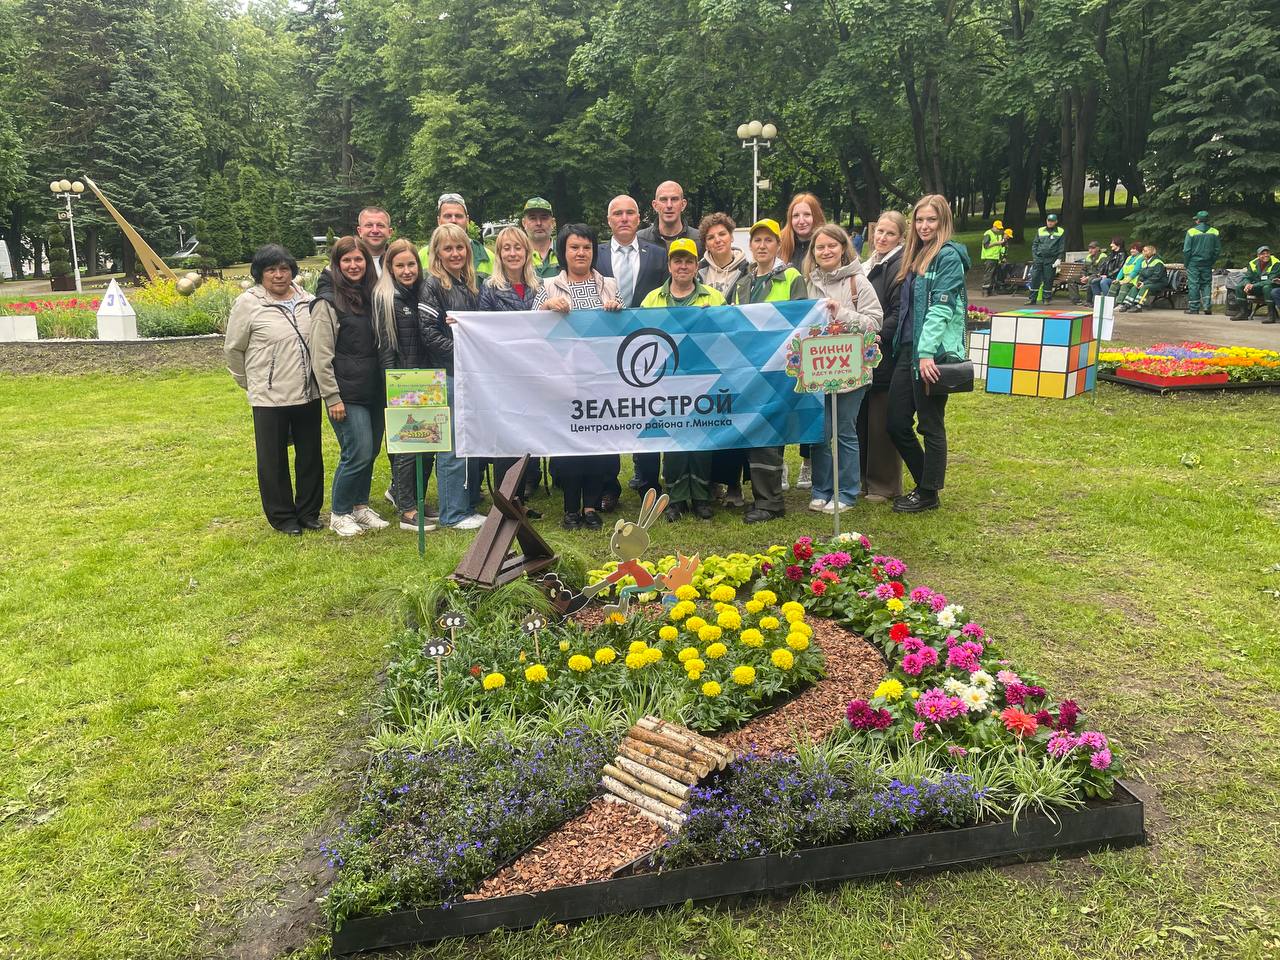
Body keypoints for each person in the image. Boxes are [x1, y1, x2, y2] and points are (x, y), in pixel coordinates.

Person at [224, 244, 323, 536]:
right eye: (271, 270)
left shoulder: (308, 300)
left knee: (310, 456)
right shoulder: (248, 304)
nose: (279, 275)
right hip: (269, 397)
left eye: (284, 269)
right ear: (260, 274)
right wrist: (251, 382)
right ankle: (283, 516)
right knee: (273, 460)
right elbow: (234, 349)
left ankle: (308, 512)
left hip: (308, 392)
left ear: (292, 271)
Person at [534, 223, 623, 529]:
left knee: (596, 446)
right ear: (564, 251)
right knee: (569, 447)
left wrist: (617, 309)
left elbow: (624, 329)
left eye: (587, 247)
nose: (581, 253)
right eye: (574, 247)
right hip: (564, 381)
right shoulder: (548, 286)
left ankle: (590, 507)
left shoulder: (609, 285)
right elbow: (528, 328)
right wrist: (546, 307)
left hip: (600, 381)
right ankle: (570, 509)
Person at [887, 195, 969, 514]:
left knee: (930, 424)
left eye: (931, 220)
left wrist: (926, 353)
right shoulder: (915, 255)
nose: (924, 226)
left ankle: (927, 492)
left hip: (931, 354)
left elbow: (941, 309)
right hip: (908, 350)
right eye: (919, 220)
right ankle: (926, 483)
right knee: (896, 422)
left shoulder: (947, 257)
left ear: (943, 221)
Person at [311, 236, 395, 536]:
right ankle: (340, 512)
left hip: (373, 390)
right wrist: (332, 396)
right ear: (337, 264)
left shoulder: (372, 294)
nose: (354, 265)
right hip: (346, 394)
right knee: (357, 451)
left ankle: (360, 506)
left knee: (370, 452)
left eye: (359, 259)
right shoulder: (327, 302)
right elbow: (320, 355)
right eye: (346, 260)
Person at [639, 237, 726, 522]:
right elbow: (641, 336)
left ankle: (701, 498)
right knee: (673, 438)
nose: (683, 266)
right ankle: (675, 499)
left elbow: (729, 334)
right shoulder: (652, 299)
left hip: (704, 378)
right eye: (678, 261)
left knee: (701, 440)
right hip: (667, 380)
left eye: (689, 261)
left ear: (696, 266)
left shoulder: (714, 298)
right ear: (669, 265)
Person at [731, 218, 808, 524]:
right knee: (754, 433)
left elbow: (801, 320)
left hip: (779, 370)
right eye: (757, 240)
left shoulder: (791, 277)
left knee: (769, 435)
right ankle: (762, 497)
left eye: (768, 240)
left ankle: (771, 502)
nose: (762, 246)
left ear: (778, 245)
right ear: (750, 246)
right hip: (749, 369)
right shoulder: (743, 282)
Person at [803, 224, 883, 514]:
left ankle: (847, 493)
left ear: (842, 248)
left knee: (845, 431)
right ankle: (821, 489)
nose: (826, 251)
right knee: (820, 433)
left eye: (831, 246)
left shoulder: (858, 282)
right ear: (813, 252)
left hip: (851, 369)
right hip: (817, 370)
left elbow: (875, 322)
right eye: (820, 247)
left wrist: (842, 313)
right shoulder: (808, 283)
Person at [596, 194, 669, 501]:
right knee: (606, 416)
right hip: (604, 347)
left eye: (630, 213)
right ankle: (608, 486)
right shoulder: (594, 254)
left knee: (647, 412)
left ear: (639, 219)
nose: (624, 218)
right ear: (609, 220)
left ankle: (649, 483)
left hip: (647, 347)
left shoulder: (658, 254)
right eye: (618, 213)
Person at [419, 222, 488, 530]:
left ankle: (465, 505)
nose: (455, 253)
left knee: (467, 443)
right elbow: (429, 335)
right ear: (437, 252)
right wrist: (464, 352)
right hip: (447, 376)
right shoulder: (433, 285)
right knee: (452, 447)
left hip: (468, 376)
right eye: (448, 248)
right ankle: (453, 513)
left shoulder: (469, 283)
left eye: (460, 247)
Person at [372, 238, 438, 533]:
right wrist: (392, 384)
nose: (407, 270)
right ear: (390, 267)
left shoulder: (423, 292)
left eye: (411, 264)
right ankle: (407, 507)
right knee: (407, 448)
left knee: (429, 442)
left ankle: (418, 499)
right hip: (402, 381)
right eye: (400, 265)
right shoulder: (385, 297)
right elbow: (385, 347)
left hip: (429, 379)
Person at [478, 226, 544, 504]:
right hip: (503, 375)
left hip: (534, 372)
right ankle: (505, 498)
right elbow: (482, 328)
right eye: (507, 248)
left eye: (518, 247)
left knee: (530, 431)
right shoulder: (489, 288)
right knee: (507, 435)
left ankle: (524, 490)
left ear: (527, 252)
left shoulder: (539, 287)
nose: (513, 253)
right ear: (499, 253)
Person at [698, 211, 751, 506]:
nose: (717, 240)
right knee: (708, 418)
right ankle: (711, 480)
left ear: (731, 236)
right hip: (706, 353)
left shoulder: (748, 270)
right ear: (705, 242)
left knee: (733, 417)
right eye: (710, 237)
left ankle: (733, 483)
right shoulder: (698, 271)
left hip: (737, 353)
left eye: (722, 234)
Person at [780, 193, 827, 490]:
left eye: (807, 214)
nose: (801, 221)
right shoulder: (782, 248)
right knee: (785, 399)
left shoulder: (825, 245)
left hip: (815, 335)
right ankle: (780, 462)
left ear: (816, 216)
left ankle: (808, 462)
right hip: (786, 336)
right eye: (796, 215)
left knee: (811, 401)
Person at [861, 212, 907, 503]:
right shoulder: (870, 264)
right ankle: (864, 480)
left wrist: (877, 335)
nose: (882, 238)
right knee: (863, 419)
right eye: (879, 231)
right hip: (867, 351)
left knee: (880, 421)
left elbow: (898, 311)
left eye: (890, 233)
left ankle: (884, 485)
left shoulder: (898, 266)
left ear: (900, 238)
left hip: (884, 352)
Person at [418, 193, 494, 279]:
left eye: (458, 216)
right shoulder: (422, 256)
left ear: (467, 220)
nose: (453, 220)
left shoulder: (489, 257)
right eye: (447, 216)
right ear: (439, 221)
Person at [638, 180, 702, 251]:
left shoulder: (700, 240)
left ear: (683, 205)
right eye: (664, 199)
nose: (669, 205)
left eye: (674, 199)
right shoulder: (640, 240)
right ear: (655, 205)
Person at [1183, 210, 1221, 315]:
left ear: (1198, 220)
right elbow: (1217, 250)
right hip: (1207, 262)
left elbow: (1186, 250)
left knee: (1193, 284)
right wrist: (1212, 261)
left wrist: (1186, 263)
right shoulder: (1214, 232)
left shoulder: (1191, 232)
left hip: (1193, 263)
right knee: (1206, 283)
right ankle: (1207, 306)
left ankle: (1194, 308)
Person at [1231, 245, 1280, 322]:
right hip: (1256, 287)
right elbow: (1247, 277)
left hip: (1271, 287)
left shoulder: (1276, 263)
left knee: (1267, 287)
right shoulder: (1252, 263)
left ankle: (1271, 315)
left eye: (1267, 253)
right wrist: (1247, 284)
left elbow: (1271, 280)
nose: (1266, 255)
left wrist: (1253, 285)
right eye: (1263, 254)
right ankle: (1243, 313)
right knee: (1239, 287)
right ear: (1258, 255)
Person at [1116, 243, 1168, 313]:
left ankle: (1138, 306)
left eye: (1145, 251)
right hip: (1148, 282)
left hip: (1159, 283)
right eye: (1143, 251)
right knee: (1135, 286)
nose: (1143, 252)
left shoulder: (1158, 262)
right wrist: (1139, 282)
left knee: (1145, 287)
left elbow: (1156, 277)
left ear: (1152, 252)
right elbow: (1141, 275)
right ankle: (1127, 304)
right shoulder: (1144, 262)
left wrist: (1144, 283)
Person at [1027, 212, 1065, 304]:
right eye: (1049, 221)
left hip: (1051, 259)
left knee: (1048, 278)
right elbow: (1035, 244)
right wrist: (1035, 257)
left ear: (1056, 221)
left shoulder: (1060, 231)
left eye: (1052, 221)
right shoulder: (1040, 230)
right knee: (1035, 278)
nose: (1050, 223)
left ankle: (1046, 299)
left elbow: (1062, 246)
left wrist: (1059, 258)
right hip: (1039, 258)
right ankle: (1032, 299)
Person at [521, 197, 559, 279]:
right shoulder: (517, 255)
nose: (539, 223)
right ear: (524, 223)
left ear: (553, 222)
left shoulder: (565, 252)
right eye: (533, 218)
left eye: (544, 218)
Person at [356, 206, 393, 276]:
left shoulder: (400, 260)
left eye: (380, 225)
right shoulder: (348, 263)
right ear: (360, 231)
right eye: (369, 225)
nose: (375, 231)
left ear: (389, 232)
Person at [1090, 237, 1127, 303]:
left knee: (1103, 282)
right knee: (1094, 282)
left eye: (1112, 243)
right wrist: (1100, 273)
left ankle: (1109, 302)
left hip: (1115, 278)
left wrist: (1107, 276)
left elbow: (1119, 268)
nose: (1110, 245)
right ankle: (1098, 302)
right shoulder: (1111, 254)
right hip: (1107, 276)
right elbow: (1104, 265)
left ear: (1118, 245)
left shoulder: (1123, 255)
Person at [1072, 241, 1107, 306]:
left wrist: (1088, 277)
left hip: (1098, 276)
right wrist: (1083, 276)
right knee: (1072, 280)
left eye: (1092, 248)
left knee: (1091, 280)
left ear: (1098, 248)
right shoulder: (1088, 257)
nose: (1090, 250)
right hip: (1087, 276)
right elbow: (1083, 269)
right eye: (1089, 248)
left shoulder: (1103, 256)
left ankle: (1089, 301)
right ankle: (1076, 300)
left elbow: (1100, 271)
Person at [980, 219, 1007, 296]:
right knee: (988, 274)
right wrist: (997, 243)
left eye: (1000, 228)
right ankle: (985, 290)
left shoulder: (998, 235)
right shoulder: (988, 233)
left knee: (994, 274)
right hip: (989, 257)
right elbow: (986, 245)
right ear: (994, 226)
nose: (999, 230)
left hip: (996, 257)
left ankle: (991, 289)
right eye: (998, 228)